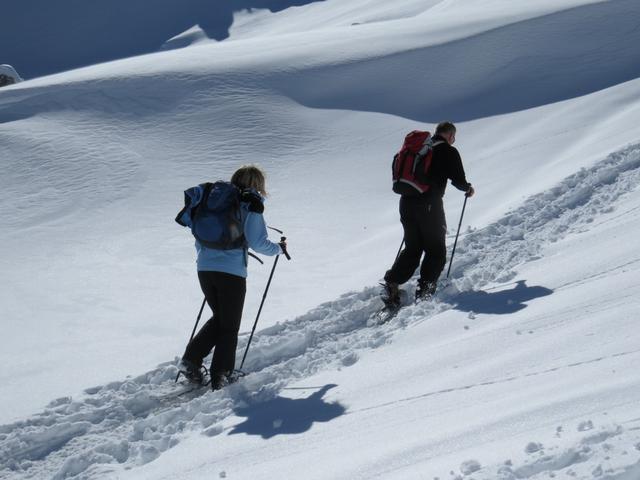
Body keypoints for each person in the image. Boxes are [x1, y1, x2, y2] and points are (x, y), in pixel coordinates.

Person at [180, 165, 285, 390]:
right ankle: (221, 375)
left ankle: (191, 360)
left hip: (205, 269)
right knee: (229, 326)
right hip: (232, 273)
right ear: (258, 185)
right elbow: (258, 242)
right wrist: (278, 249)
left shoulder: (214, 200)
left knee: (221, 319)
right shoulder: (250, 204)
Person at [383, 121, 475, 304]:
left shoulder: (419, 150)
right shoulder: (448, 151)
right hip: (430, 206)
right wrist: (468, 188)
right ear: (450, 135)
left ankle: (392, 283)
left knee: (413, 247)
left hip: (406, 203)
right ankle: (424, 291)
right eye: (453, 137)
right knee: (436, 250)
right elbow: (458, 179)